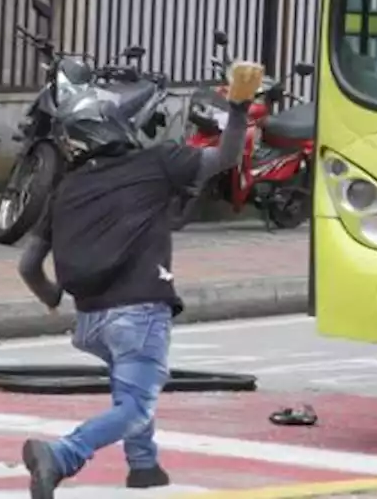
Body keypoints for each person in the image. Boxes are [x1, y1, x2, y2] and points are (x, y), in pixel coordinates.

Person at [16, 61, 264, 497]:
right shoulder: (157, 163)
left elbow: (28, 266)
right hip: (138, 312)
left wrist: (52, 296)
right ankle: (62, 455)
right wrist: (240, 107)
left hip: (90, 321)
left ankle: (144, 466)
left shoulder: (66, 189)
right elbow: (226, 157)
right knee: (136, 403)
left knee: (128, 385)